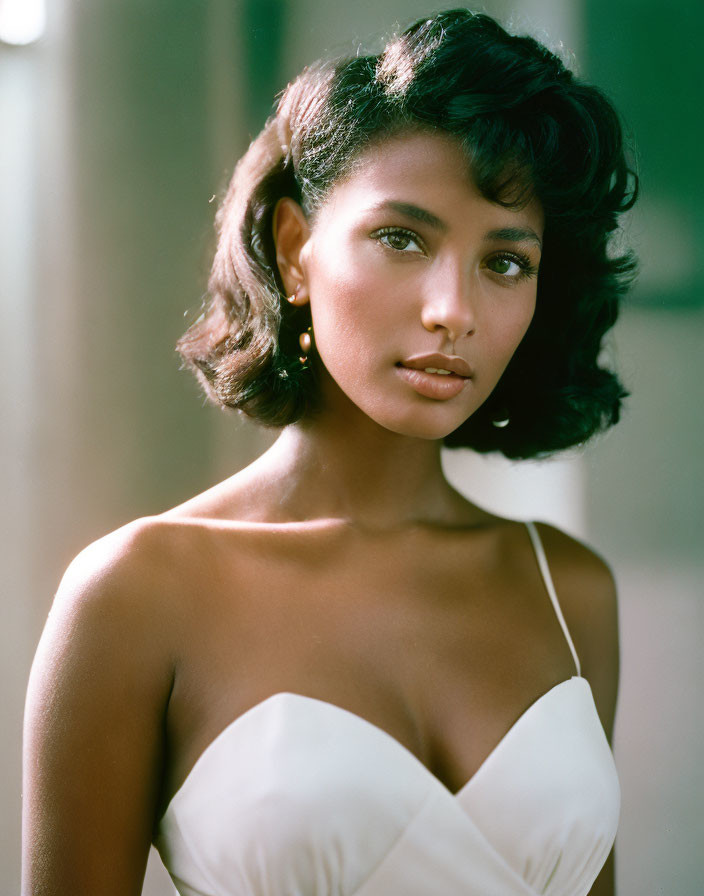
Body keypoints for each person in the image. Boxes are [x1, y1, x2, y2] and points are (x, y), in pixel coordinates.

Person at [22, 8, 638, 896]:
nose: (451, 309)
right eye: (403, 238)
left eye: (506, 261)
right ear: (295, 249)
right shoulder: (135, 594)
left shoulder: (570, 590)